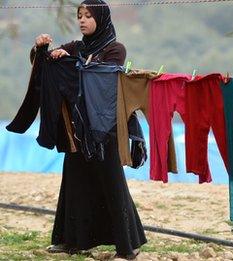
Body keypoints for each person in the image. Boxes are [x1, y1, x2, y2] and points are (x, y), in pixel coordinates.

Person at [33, 0, 146, 259]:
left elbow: (103, 76)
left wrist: (72, 61)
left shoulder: (115, 49)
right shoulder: (76, 47)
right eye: (79, 15)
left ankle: (128, 247)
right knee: (75, 180)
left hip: (105, 128)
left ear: (101, 19)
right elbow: (48, 67)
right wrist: (43, 50)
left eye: (88, 16)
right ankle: (71, 240)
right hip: (78, 128)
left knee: (112, 182)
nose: (82, 20)